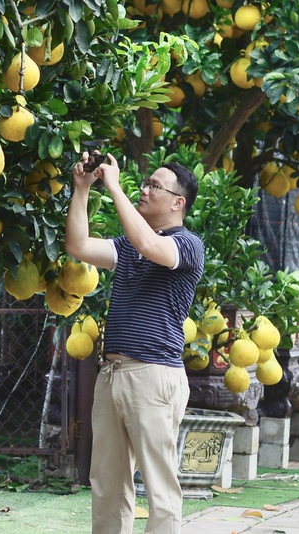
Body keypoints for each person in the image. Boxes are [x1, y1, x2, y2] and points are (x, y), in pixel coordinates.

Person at [65, 152, 204, 534]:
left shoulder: (188, 245)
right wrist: (82, 189)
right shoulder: (128, 247)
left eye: (154, 186)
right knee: (107, 484)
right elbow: (78, 245)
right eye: (145, 183)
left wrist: (113, 186)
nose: (144, 189)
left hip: (154, 376)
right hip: (112, 375)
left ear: (179, 202)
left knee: (160, 488)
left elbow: (149, 247)